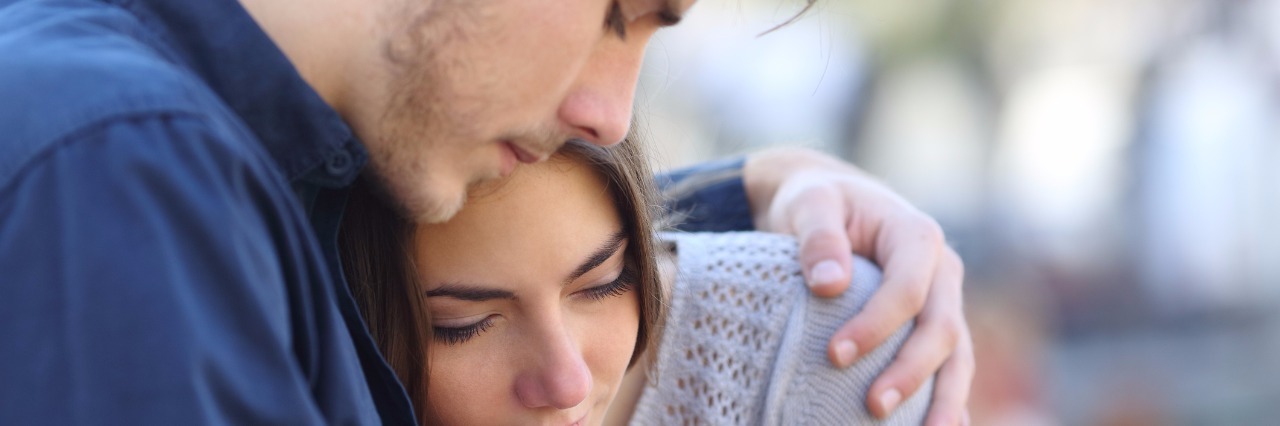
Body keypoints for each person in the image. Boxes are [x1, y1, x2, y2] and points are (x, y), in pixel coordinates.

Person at [0, 0, 971, 424]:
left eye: (604, 281)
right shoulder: (121, 171)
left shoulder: (195, 150)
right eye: (612, 14)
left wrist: (763, 187)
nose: (608, 112)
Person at [341, 138, 932, 424]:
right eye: (462, 326)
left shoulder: (815, 351)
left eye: (601, 283)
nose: (568, 382)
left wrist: (769, 178)